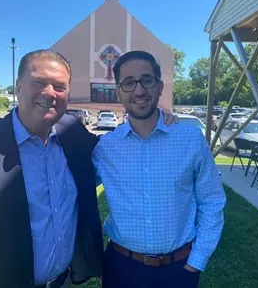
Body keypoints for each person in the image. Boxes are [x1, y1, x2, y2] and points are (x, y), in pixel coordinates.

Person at [0, 49, 178, 288]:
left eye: (60, 87)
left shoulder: (74, 134)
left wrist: (157, 116)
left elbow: (119, 151)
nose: (50, 93)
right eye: (38, 82)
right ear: (18, 87)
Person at [93, 51, 226, 288]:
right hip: (120, 269)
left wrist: (196, 263)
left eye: (147, 80)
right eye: (129, 82)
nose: (139, 90)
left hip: (178, 270)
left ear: (159, 86)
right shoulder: (105, 147)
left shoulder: (191, 140)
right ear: (119, 91)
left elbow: (212, 202)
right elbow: (71, 189)